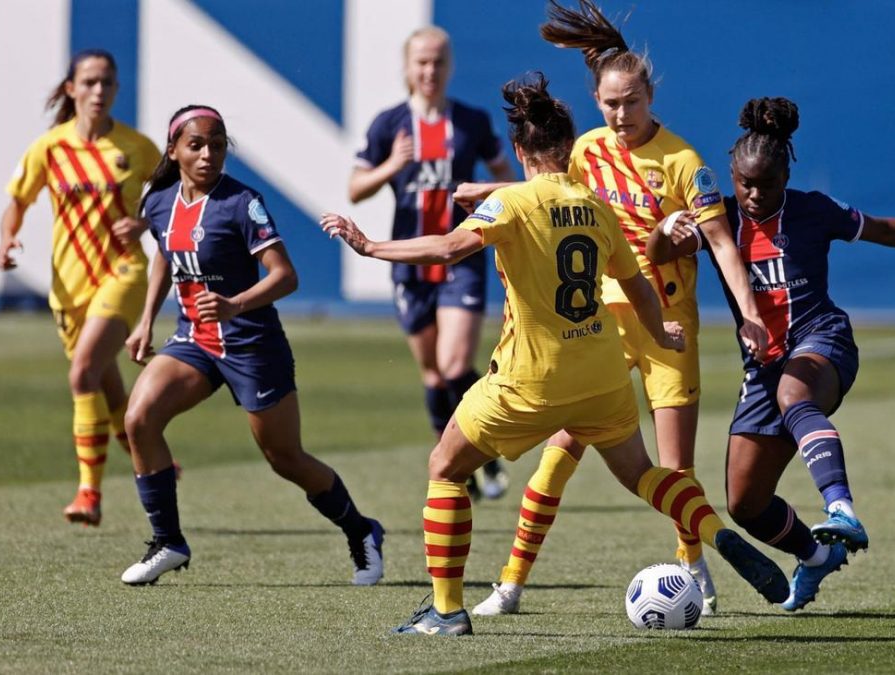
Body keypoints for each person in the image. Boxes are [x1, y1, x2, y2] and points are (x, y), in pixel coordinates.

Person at [322, 73, 788, 636]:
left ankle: (446, 611)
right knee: (643, 473)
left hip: (530, 380)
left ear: (519, 150)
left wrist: (370, 246)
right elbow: (639, 284)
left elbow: (447, 248)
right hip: (600, 375)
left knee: (445, 468)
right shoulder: (596, 205)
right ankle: (717, 534)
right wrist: (662, 336)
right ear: (569, 150)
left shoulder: (512, 203)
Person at [457, 0, 768, 617]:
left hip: (667, 328)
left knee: (675, 468)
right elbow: (548, 189)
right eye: (609, 103)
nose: (619, 113)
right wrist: (493, 191)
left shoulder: (684, 163)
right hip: (598, 329)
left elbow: (724, 245)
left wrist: (750, 313)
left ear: (650, 95)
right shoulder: (588, 149)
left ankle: (693, 570)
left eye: (629, 101)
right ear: (597, 101)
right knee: (558, 455)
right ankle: (512, 585)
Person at [650, 96, 895, 610]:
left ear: (785, 178)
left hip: (821, 339)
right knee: (744, 502)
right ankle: (815, 555)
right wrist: (664, 232)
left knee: (795, 393)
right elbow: (660, 255)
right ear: (732, 174)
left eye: (766, 184)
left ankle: (840, 507)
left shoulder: (812, 210)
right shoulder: (721, 221)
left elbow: (885, 229)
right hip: (762, 364)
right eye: (744, 183)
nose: (754, 194)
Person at [115, 105, 384, 587]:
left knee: (285, 458)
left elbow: (286, 276)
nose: (208, 154)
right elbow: (165, 254)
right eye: (196, 145)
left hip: (252, 345)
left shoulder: (243, 202)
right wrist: (144, 321)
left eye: (217, 145)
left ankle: (362, 530)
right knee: (138, 420)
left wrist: (236, 305)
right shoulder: (158, 200)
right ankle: (168, 541)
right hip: (194, 340)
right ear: (173, 150)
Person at [349, 26, 516, 499]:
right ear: (407, 67)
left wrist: (484, 193)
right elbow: (355, 188)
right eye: (421, 62)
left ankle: (482, 451)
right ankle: (458, 466)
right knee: (433, 374)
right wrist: (390, 167)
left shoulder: (472, 123)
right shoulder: (389, 125)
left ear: (450, 66)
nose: (429, 70)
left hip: (461, 254)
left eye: (438, 61)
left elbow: (512, 181)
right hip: (409, 261)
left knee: (454, 360)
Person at [0, 49, 162, 526]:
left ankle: (89, 494)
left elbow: (175, 196)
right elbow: (18, 200)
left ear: (115, 90)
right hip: (68, 287)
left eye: (107, 82)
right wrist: (8, 237)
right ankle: (159, 463)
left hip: (123, 274)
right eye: (89, 82)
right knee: (106, 390)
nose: (98, 91)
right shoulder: (51, 147)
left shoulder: (136, 147)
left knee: (82, 373)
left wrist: (146, 221)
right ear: (71, 89)